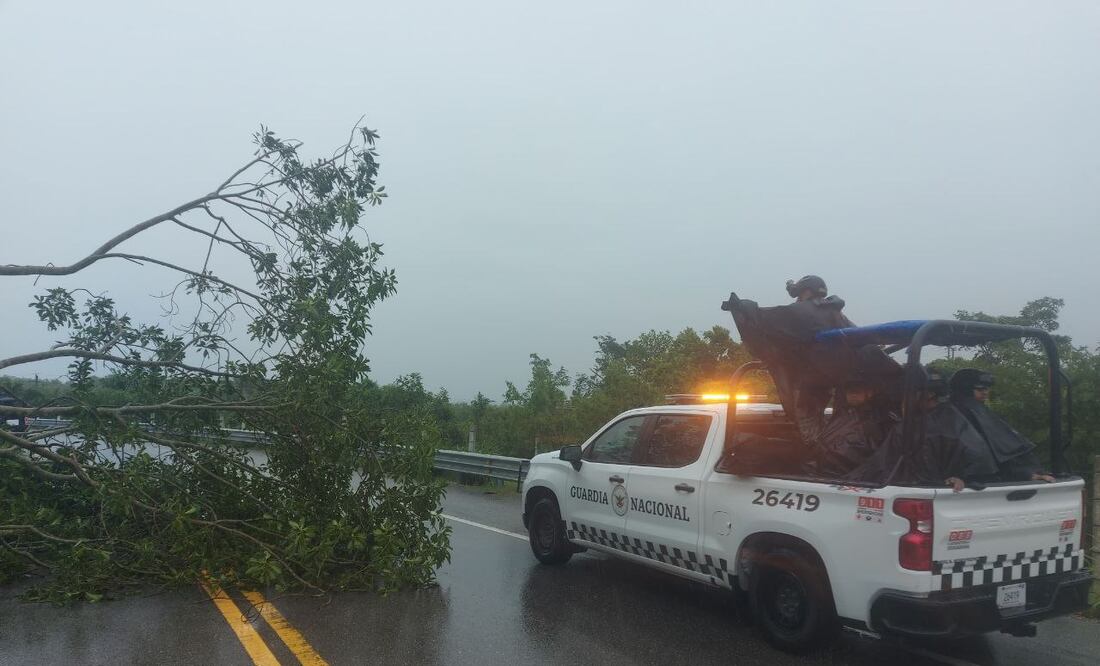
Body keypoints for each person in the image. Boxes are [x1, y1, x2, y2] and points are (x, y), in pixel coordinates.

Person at [949, 369, 1055, 483]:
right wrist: (1026, 472)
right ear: (966, 390)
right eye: (980, 389)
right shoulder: (971, 411)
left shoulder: (957, 409)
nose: (985, 392)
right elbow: (1005, 447)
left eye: (986, 389)